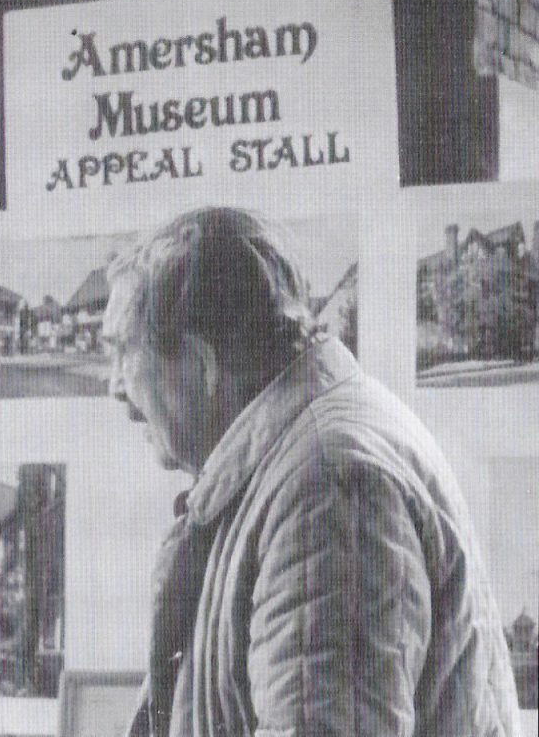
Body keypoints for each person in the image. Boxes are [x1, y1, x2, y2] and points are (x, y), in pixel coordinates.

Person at [103, 208, 521, 737]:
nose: (114, 388)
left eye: (122, 356)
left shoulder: (325, 487)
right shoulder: (303, 459)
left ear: (200, 361)